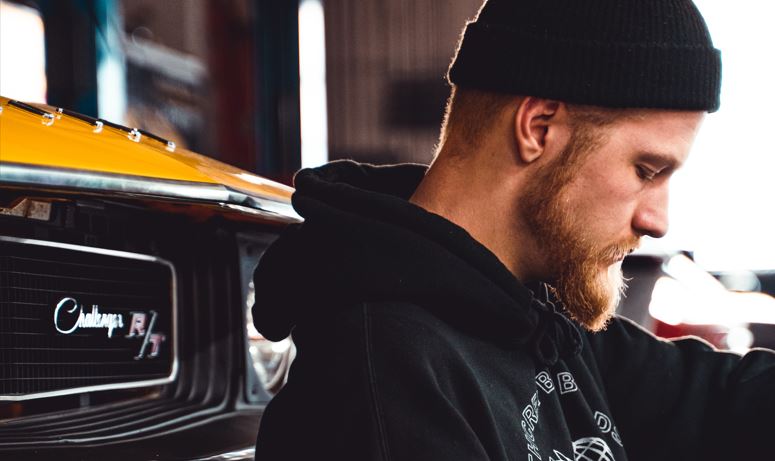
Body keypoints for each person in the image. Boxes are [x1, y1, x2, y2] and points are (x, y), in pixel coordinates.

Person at [252, 0, 773, 459]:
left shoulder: (535, 318)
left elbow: (727, 400)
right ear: (538, 128)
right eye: (646, 171)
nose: (657, 221)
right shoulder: (383, 381)